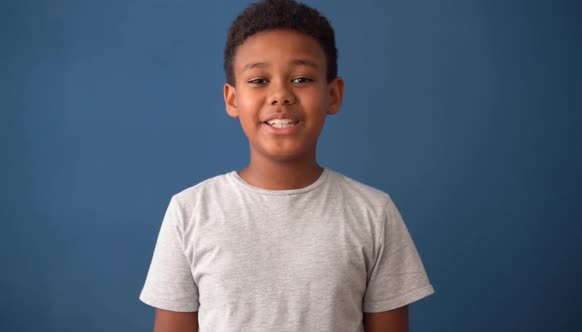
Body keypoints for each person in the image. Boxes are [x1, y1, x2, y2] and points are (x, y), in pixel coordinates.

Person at [139, 0, 434, 331]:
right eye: (259, 80)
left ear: (333, 94)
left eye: (302, 79)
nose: (280, 95)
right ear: (232, 99)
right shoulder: (190, 212)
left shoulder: (373, 214)